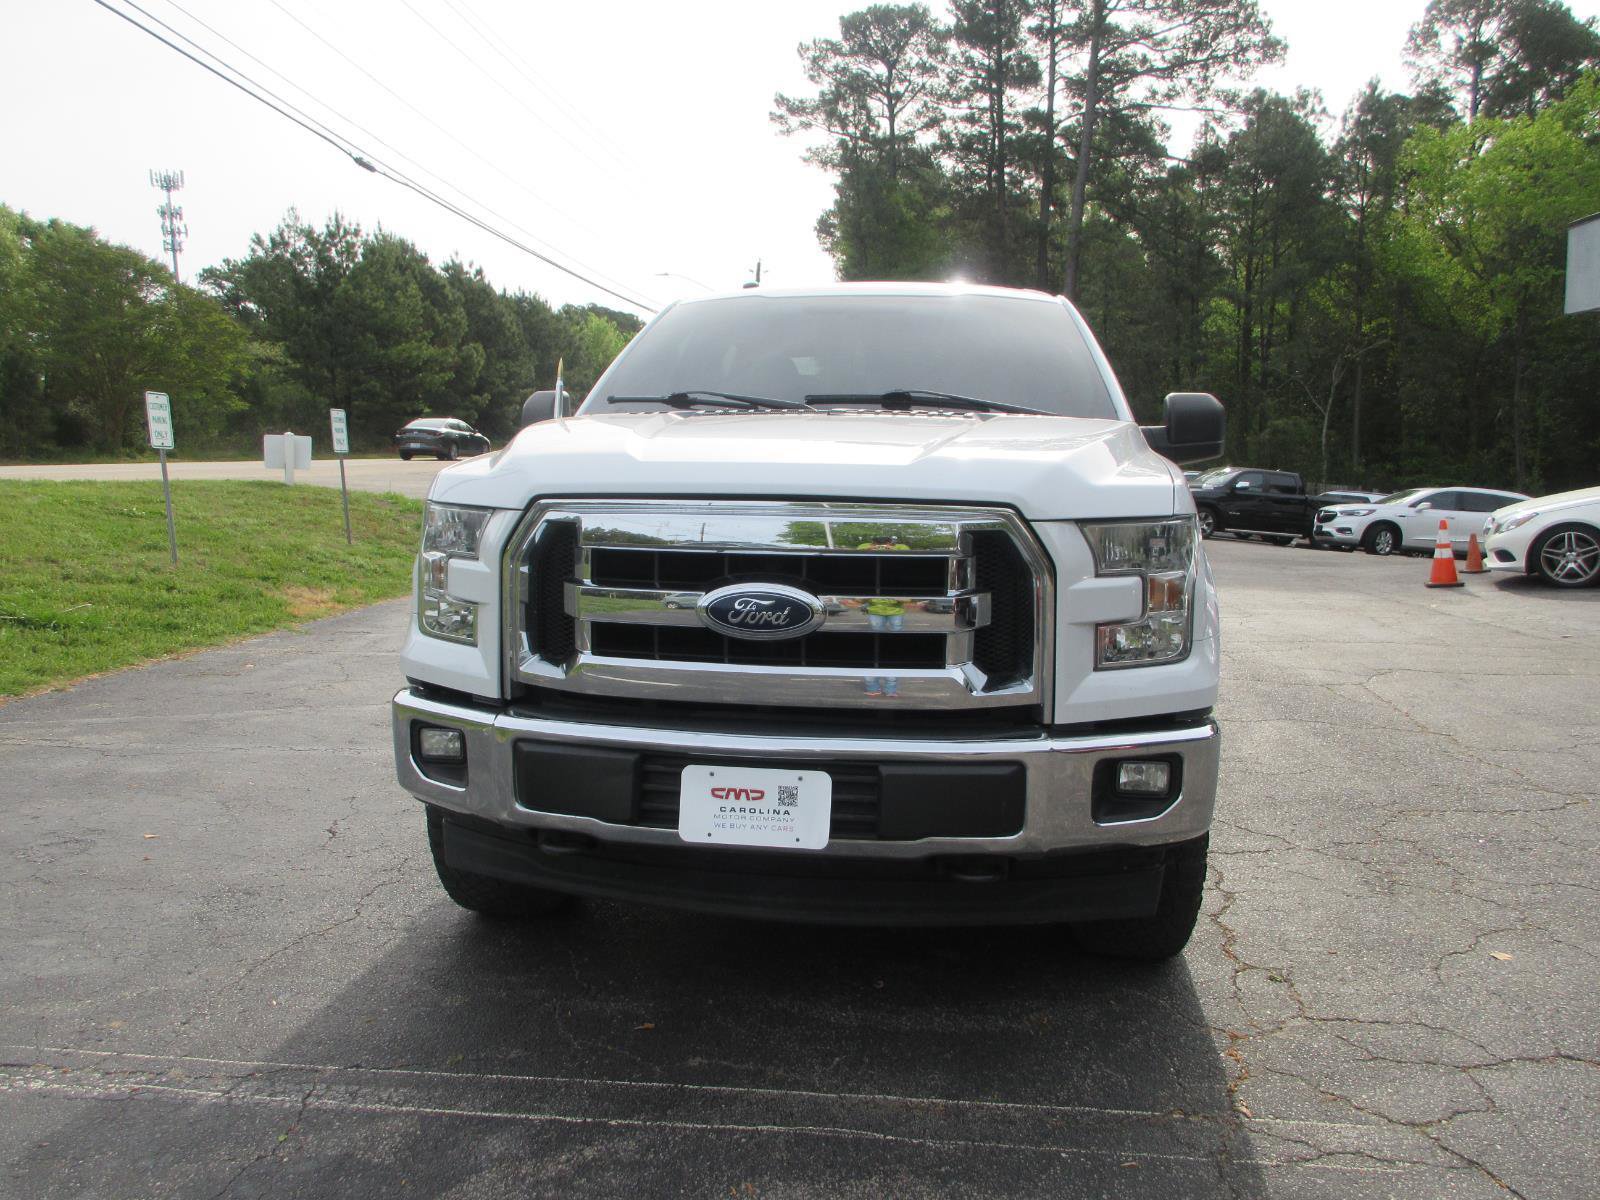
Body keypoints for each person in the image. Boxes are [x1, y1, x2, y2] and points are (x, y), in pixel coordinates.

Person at [858, 535, 910, 697]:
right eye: (879, 544)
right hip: (876, 610)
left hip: (896, 610)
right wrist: (872, 548)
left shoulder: (898, 554)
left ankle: (890, 690)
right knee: (876, 645)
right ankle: (874, 688)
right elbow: (859, 549)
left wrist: (891, 548)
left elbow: (907, 550)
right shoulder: (870, 552)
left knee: (893, 647)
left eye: (885, 544)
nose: (882, 547)